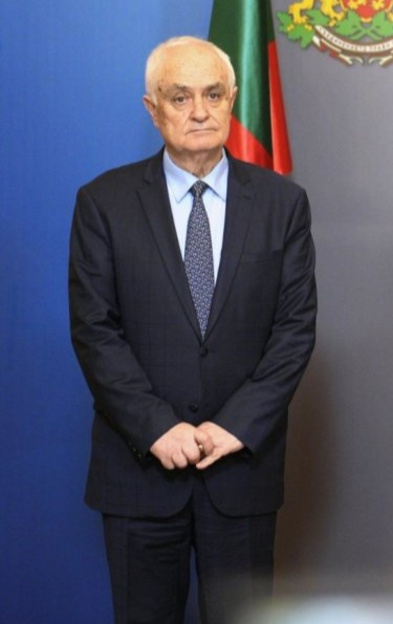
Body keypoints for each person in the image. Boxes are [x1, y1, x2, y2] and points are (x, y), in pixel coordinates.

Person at [68, 36, 317, 623]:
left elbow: (295, 329)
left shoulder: (284, 204)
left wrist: (237, 424)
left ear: (233, 99)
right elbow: (95, 331)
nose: (199, 111)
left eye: (212, 94)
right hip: (140, 472)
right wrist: (158, 427)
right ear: (152, 109)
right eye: (180, 97)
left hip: (241, 472)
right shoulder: (104, 203)